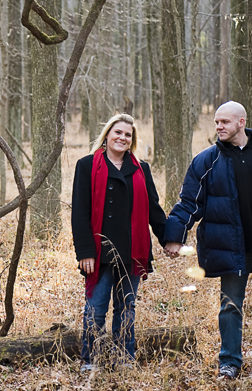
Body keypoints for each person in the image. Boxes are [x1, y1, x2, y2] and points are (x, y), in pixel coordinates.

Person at [164, 101, 252, 381]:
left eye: (224, 122)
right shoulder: (206, 160)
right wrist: (174, 236)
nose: (219, 127)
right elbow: (189, 202)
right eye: (216, 122)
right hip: (230, 248)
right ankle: (229, 362)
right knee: (230, 306)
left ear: (241, 122)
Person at [71, 113, 174, 372]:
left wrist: (169, 239)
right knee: (95, 309)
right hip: (98, 253)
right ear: (107, 135)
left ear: (132, 140)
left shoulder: (141, 169)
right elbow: (79, 214)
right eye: (118, 132)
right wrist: (84, 251)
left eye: (128, 134)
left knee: (126, 308)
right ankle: (90, 361)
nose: (122, 138)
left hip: (132, 252)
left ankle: (124, 358)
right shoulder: (86, 166)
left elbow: (154, 210)